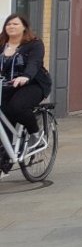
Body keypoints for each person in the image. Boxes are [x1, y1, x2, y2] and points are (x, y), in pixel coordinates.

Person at [1, 14, 52, 175]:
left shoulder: (34, 44)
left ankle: (35, 136)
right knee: (4, 114)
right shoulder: (1, 44)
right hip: (6, 86)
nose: (11, 26)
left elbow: (34, 63)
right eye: (8, 24)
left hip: (32, 84)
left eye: (15, 24)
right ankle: (6, 156)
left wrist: (26, 76)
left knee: (17, 107)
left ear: (24, 27)